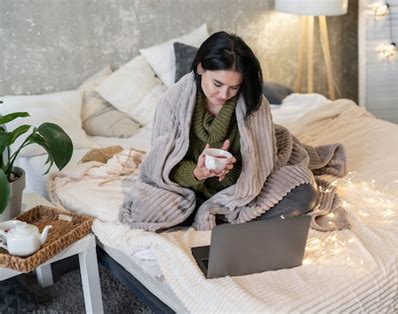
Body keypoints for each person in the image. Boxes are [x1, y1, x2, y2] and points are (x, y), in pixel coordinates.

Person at [120, 31, 347, 232]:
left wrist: (228, 173)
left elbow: (259, 168)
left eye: (234, 87)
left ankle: (216, 215)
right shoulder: (172, 101)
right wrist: (198, 173)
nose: (224, 94)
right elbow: (162, 166)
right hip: (187, 186)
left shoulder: (255, 104)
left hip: (239, 187)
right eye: (217, 84)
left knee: (303, 191)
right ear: (200, 68)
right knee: (145, 212)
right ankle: (223, 217)